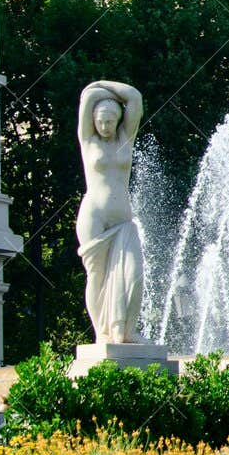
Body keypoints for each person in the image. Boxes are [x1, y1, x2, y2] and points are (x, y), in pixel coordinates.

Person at [76, 80, 144, 343]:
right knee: (97, 276)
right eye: (100, 121)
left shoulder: (126, 138)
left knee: (134, 275)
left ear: (118, 121)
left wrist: (103, 86)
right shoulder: (88, 140)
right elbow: (87, 97)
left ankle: (125, 331)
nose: (104, 126)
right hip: (94, 216)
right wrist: (96, 90)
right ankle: (102, 334)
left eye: (109, 121)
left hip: (123, 220)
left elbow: (134, 97)